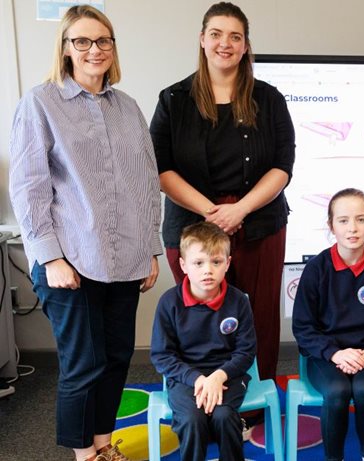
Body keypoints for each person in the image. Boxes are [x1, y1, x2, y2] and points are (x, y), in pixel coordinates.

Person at [8, 5, 162, 461]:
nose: (94, 49)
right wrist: (50, 257)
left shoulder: (128, 108)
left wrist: (151, 248)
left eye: (103, 40)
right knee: (82, 365)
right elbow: (28, 186)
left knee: (116, 360)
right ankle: (83, 455)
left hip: (126, 258)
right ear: (65, 48)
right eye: (82, 41)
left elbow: (145, 183)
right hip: (70, 258)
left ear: (113, 48)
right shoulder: (40, 103)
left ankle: (101, 444)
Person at [150, 1, 295, 387]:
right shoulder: (173, 100)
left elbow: (283, 167)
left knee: (259, 316)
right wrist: (213, 213)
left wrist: (240, 210)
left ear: (246, 45)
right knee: (201, 318)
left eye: (235, 36)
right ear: (201, 40)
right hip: (192, 226)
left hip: (259, 223)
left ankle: (256, 398)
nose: (224, 44)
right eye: (215, 34)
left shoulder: (269, 99)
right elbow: (161, 169)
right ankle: (199, 397)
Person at [292, 188, 364, 461]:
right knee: (338, 391)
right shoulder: (317, 269)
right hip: (326, 355)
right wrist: (335, 353)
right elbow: (303, 328)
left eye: (361, 219)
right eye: (343, 220)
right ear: (331, 225)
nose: (352, 228)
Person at [150, 222, 256, 461]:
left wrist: (219, 376)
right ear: (184, 266)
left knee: (224, 416)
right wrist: (197, 379)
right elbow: (162, 355)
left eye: (216, 262)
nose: (208, 270)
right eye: (199, 263)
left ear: (227, 264)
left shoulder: (238, 301)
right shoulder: (169, 303)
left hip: (228, 375)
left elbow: (246, 351)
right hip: (186, 377)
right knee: (191, 420)